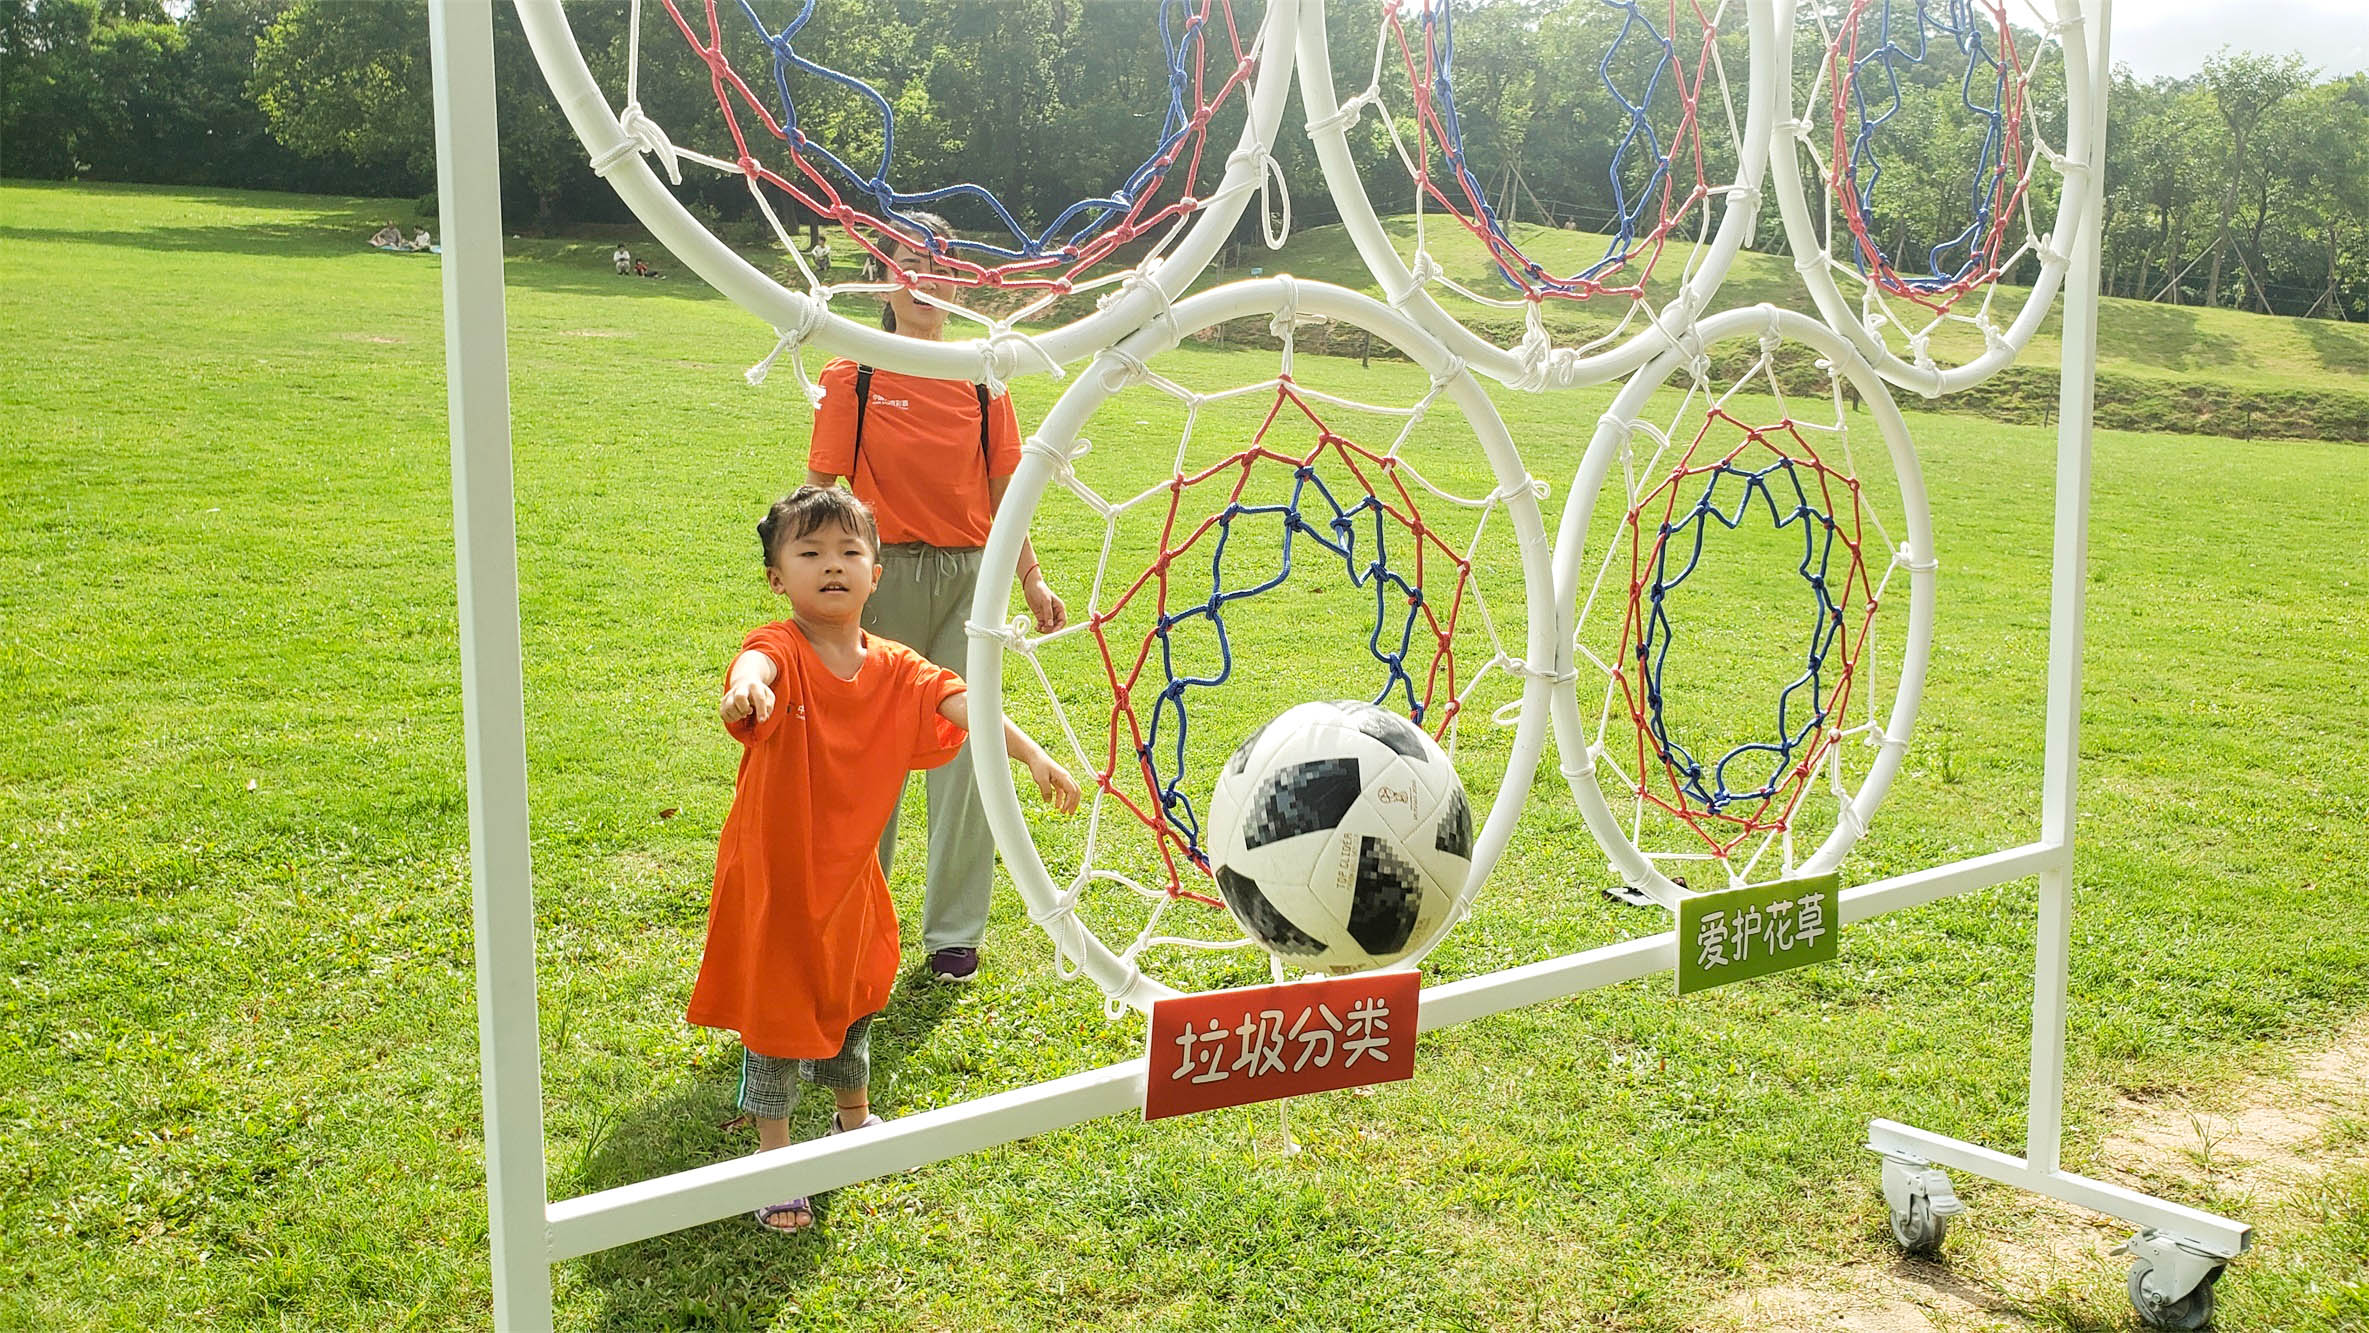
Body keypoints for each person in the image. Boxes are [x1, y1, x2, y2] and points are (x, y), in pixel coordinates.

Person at [691, 485, 1077, 1233]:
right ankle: (777, 1163)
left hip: (849, 877)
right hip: (776, 879)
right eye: (808, 553)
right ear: (778, 577)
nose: (830, 565)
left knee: (856, 993)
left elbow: (966, 703)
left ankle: (852, 1120)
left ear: (875, 574)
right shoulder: (780, 649)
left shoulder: (898, 667)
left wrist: (1030, 755)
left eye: (848, 552)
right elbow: (753, 669)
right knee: (779, 1017)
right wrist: (745, 692)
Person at [802, 212, 1067, 984]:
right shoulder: (855, 374)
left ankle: (953, 933)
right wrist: (812, 581)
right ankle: (857, 918)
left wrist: (1030, 577)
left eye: (945, 263)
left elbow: (1005, 493)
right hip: (877, 584)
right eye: (912, 262)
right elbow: (818, 492)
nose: (930, 279)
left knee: (968, 749)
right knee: (870, 754)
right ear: (883, 275)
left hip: (970, 585)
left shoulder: (983, 376)